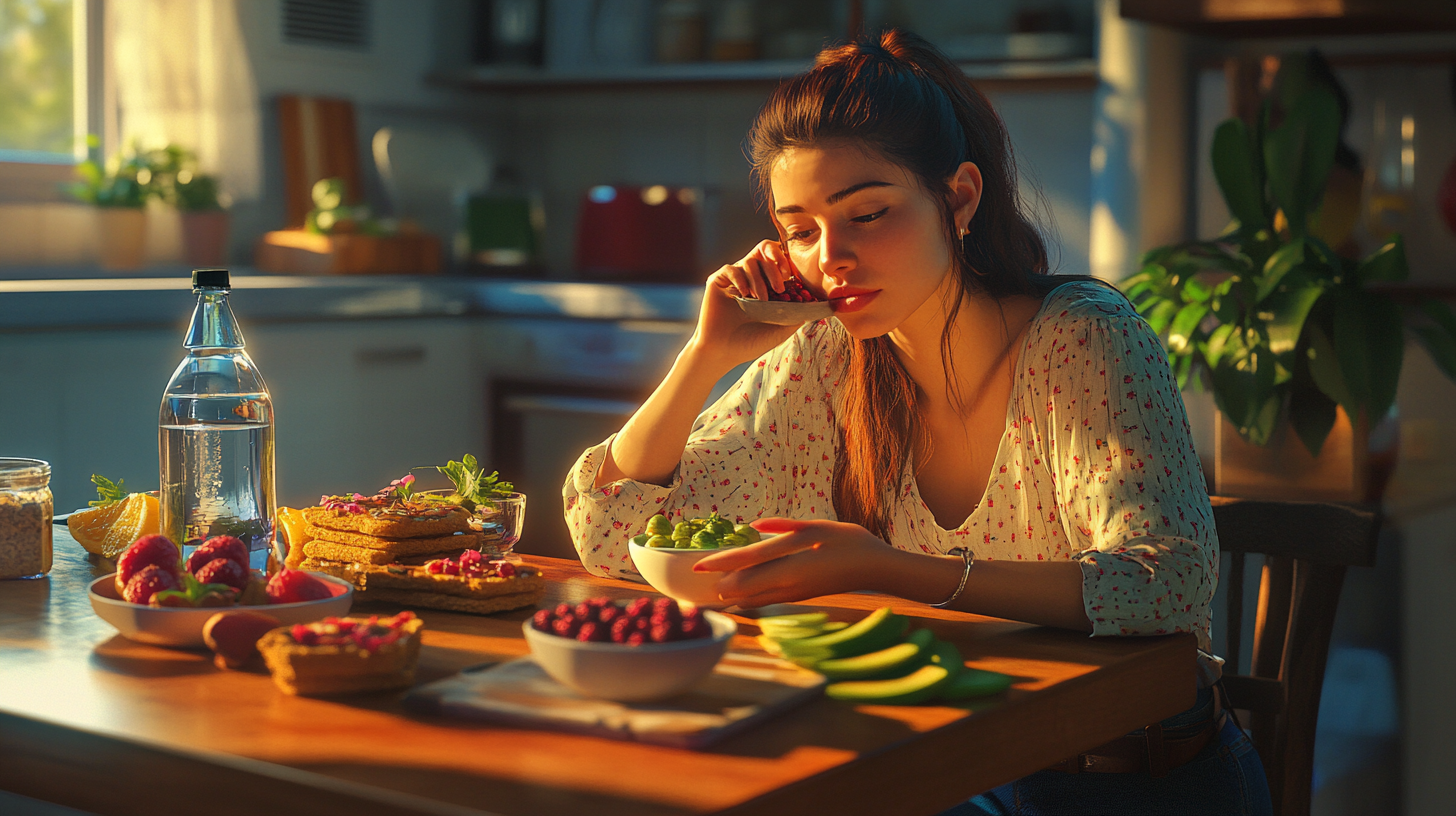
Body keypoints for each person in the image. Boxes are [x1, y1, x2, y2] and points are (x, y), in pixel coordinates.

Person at [562, 29, 1271, 815]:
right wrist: (704, 357)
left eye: (866, 214)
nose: (830, 256)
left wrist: (885, 568)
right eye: (800, 231)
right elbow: (609, 529)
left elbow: (1164, 584)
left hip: (1133, 780)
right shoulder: (824, 357)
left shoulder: (1083, 335)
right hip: (959, 767)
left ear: (959, 197)